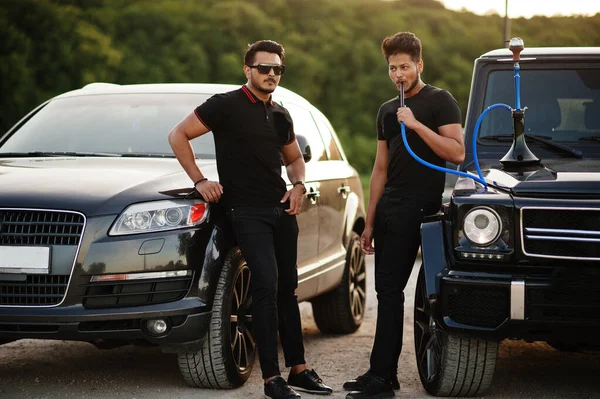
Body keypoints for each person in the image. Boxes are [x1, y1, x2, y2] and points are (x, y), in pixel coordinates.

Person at [168, 40, 332, 399]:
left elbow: (293, 158)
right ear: (248, 70)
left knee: (288, 289)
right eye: (264, 68)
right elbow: (177, 135)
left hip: (281, 209)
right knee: (266, 286)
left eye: (277, 69)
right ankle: (272, 379)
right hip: (245, 210)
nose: (271, 74)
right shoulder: (224, 106)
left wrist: (300, 183)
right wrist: (200, 179)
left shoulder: (280, 114)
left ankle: (299, 370)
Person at [343, 32, 465, 399]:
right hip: (392, 207)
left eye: (405, 67)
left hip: (425, 206)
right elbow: (379, 168)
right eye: (393, 68)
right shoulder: (385, 110)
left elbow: (456, 153)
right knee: (388, 292)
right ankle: (383, 375)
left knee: (429, 294)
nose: (399, 74)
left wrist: (415, 124)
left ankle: (399, 372)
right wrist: (370, 220)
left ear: (419, 65)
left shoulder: (440, 101)